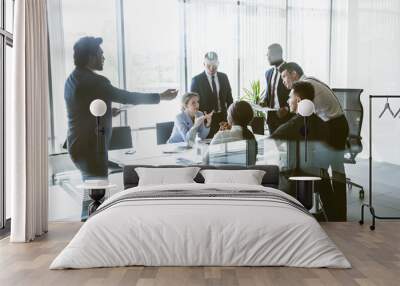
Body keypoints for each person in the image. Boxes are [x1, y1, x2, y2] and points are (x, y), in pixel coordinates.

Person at [65, 36, 177, 219]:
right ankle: (92, 235)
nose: (103, 57)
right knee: (96, 198)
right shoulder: (95, 81)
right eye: (100, 53)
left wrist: (108, 111)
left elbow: (83, 108)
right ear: (91, 56)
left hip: (77, 145)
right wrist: (160, 97)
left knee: (91, 195)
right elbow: (126, 96)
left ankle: (89, 230)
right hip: (91, 149)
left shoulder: (73, 78)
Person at [279, 62, 349, 150]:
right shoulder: (308, 81)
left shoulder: (306, 86)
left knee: (322, 161)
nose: (283, 81)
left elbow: (301, 118)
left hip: (334, 127)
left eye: (284, 76)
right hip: (336, 124)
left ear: (294, 74)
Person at [190, 52, 233, 138]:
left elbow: (229, 99)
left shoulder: (224, 77)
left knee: (225, 145)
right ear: (204, 64)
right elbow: (192, 103)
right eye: (208, 65)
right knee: (208, 147)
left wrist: (231, 118)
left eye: (214, 65)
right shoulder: (196, 80)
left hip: (224, 119)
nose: (212, 68)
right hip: (207, 120)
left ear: (218, 63)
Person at [260, 43, 292, 134]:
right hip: (272, 118)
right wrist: (264, 101)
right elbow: (269, 93)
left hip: (286, 117)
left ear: (278, 55)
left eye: (269, 55)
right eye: (267, 55)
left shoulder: (290, 69)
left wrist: (287, 108)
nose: (268, 57)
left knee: (286, 147)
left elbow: (298, 94)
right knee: (273, 146)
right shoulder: (268, 73)